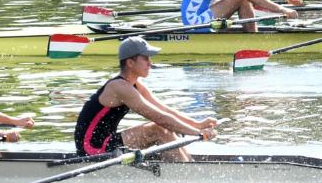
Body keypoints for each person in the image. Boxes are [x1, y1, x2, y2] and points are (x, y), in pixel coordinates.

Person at [73, 37, 217, 162]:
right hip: (92, 148)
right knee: (159, 128)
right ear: (130, 63)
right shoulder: (119, 86)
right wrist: (195, 133)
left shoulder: (135, 84)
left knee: (164, 128)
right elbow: (160, 118)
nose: (150, 63)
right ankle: (187, 175)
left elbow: (164, 110)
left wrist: (197, 125)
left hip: (107, 141)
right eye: (145, 58)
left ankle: (187, 165)